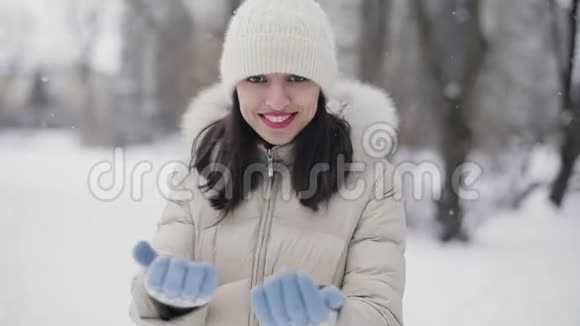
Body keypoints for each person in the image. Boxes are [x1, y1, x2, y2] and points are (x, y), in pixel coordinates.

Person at [129, 0, 406, 325]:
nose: (276, 99)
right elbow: (152, 315)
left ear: (321, 87)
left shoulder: (373, 181)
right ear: (235, 87)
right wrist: (166, 304)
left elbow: (381, 313)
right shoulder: (201, 169)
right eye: (257, 78)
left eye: (297, 77)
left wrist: (329, 319)